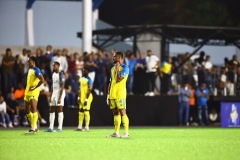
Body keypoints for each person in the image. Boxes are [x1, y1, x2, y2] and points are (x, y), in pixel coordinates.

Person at [106, 51, 130, 138]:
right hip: (112, 93)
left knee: (122, 111)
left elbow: (118, 79)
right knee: (115, 112)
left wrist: (117, 68)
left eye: (115, 56)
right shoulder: (112, 69)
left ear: (119, 58)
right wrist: (108, 95)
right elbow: (111, 82)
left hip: (120, 93)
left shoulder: (125, 68)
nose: (113, 58)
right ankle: (116, 132)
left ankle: (126, 132)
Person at [24, 56, 44, 134]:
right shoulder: (29, 70)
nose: (28, 63)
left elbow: (42, 80)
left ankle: (34, 128)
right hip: (27, 92)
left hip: (34, 92)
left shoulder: (37, 70)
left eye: (29, 61)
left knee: (33, 108)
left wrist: (35, 87)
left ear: (33, 62)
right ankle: (34, 125)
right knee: (27, 111)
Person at [45, 62, 66, 132]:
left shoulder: (61, 74)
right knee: (51, 109)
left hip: (60, 93)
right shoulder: (53, 74)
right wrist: (50, 95)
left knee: (59, 109)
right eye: (53, 66)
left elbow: (62, 86)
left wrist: (60, 97)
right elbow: (52, 85)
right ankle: (51, 128)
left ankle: (60, 128)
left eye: (54, 66)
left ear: (58, 66)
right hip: (54, 93)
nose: (53, 67)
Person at [76, 67, 93, 131]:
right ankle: (80, 126)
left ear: (88, 72)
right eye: (83, 71)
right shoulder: (81, 79)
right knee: (80, 111)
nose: (84, 72)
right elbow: (79, 89)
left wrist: (86, 99)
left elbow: (89, 90)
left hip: (87, 97)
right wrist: (78, 97)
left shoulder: (89, 80)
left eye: (85, 71)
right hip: (82, 97)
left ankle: (87, 126)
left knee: (86, 111)